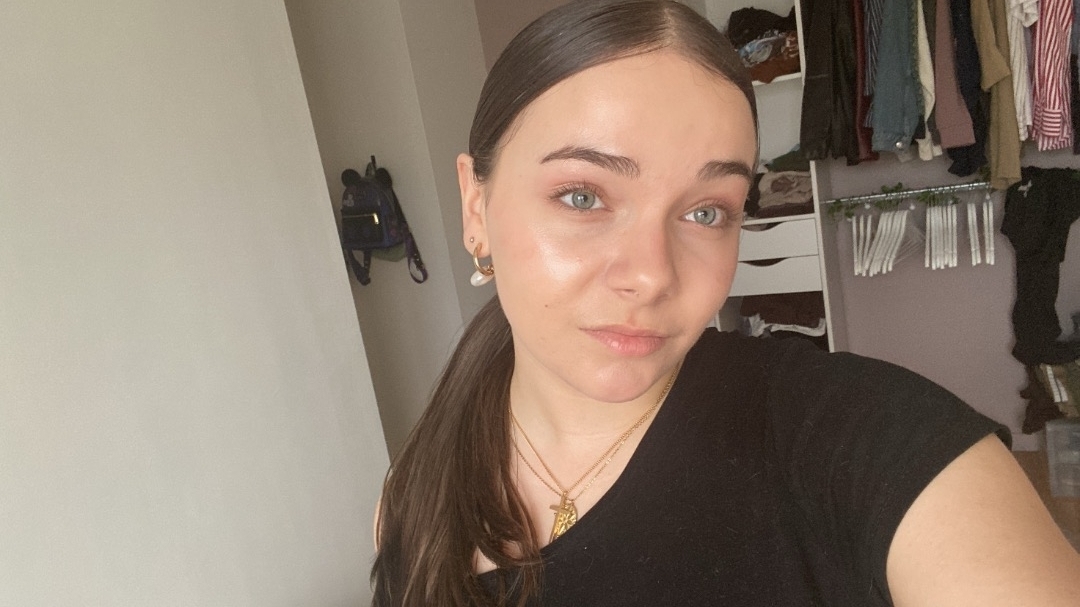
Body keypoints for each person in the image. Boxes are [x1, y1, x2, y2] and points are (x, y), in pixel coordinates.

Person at [371, 1, 1080, 605]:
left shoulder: (851, 436)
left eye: (707, 211)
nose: (652, 275)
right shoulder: (415, 491)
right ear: (475, 207)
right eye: (582, 196)